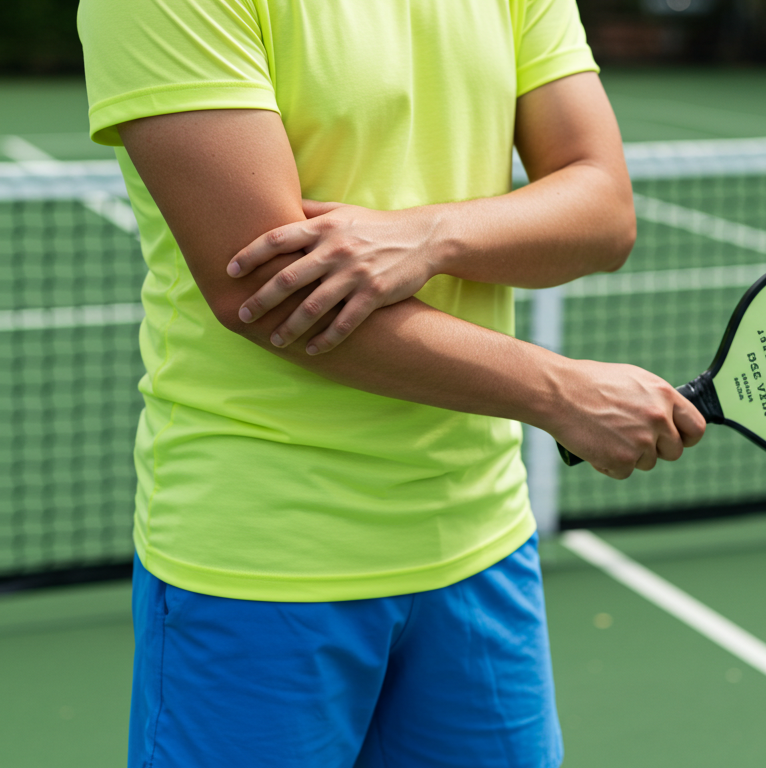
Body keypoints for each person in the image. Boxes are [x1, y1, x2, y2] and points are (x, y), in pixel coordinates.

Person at [77, 0, 706, 765]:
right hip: (263, 560)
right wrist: (559, 392)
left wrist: (431, 235)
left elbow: (604, 210)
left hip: (482, 542)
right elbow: (267, 285)